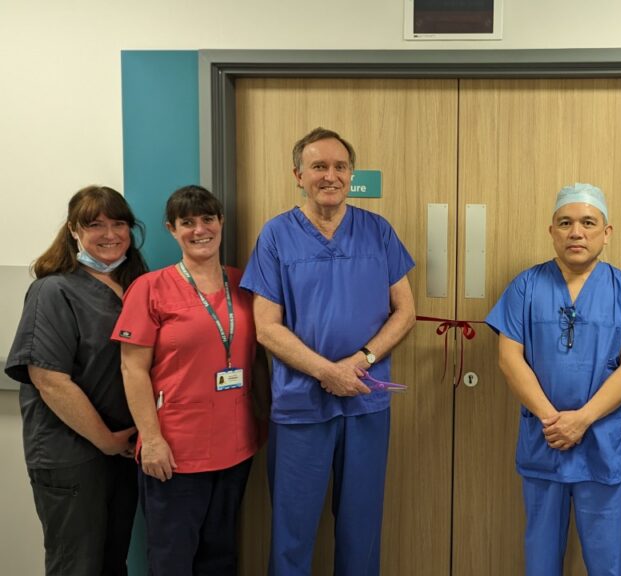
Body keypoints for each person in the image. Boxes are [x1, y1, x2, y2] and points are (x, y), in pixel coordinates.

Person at [241, 127, 416, 575]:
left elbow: (405, 311)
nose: (330, 176)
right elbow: (266, 328)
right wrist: (326, 372)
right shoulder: (277, 236)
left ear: (351, 175)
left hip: (365, 399)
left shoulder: (377, 231)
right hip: (301, 404)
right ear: (298, 174)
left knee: (362, 526)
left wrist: (360, 363)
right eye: (319, 166)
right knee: (291, 528)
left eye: (340, 167)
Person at [486, 183, 621, 575]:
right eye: (565, 223)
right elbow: (509, 359)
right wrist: (553, 420)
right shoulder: (525, 287)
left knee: (605, 556)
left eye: (587, 222)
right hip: (544, 439)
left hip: (601, 441)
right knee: (541, 555)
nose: (576, 232)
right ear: (552, 231)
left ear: (606, 232)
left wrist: (581, 420)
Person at [112, 185, 262, 575]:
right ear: (172, 229)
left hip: (235, 446)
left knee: (221, 556)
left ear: (221, 222)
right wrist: (153, 439)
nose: (200, 230)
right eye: (187, 222)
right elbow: (132, 369)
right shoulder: (149, 288)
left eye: (208, 219)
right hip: (175, 453)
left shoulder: (244, 285)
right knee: (173, 559)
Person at [5, 185, 148, 576]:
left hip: (120, 454)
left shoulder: (135, 286)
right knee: (77, 566)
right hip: (73, 455)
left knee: (110, 561)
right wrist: (106, 439)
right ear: (73, 230)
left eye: (119, 224)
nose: (110, 234)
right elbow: (49, 379)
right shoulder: (53, 290)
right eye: (95, 224)